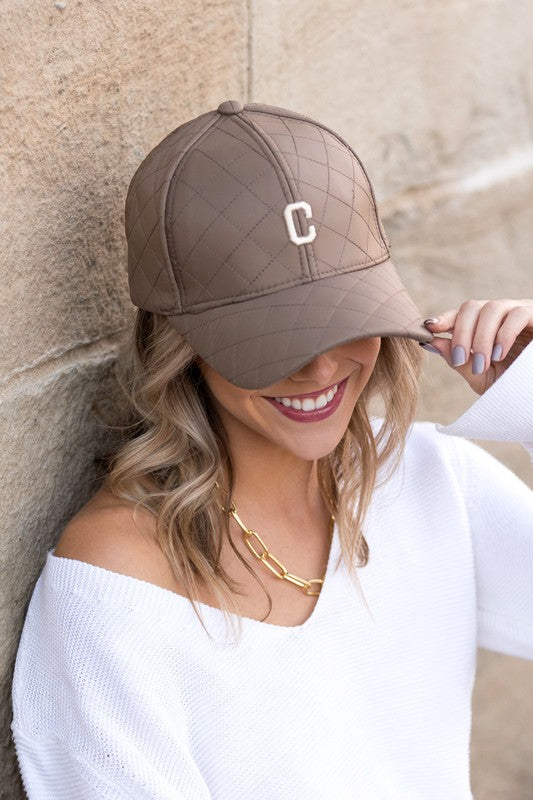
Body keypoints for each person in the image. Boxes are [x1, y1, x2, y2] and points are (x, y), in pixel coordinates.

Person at [11, 100, 533, 799]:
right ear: (180, 345)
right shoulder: (118, 582)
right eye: (271, 338)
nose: (319, 368)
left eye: (343, 316)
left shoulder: (426, 476)